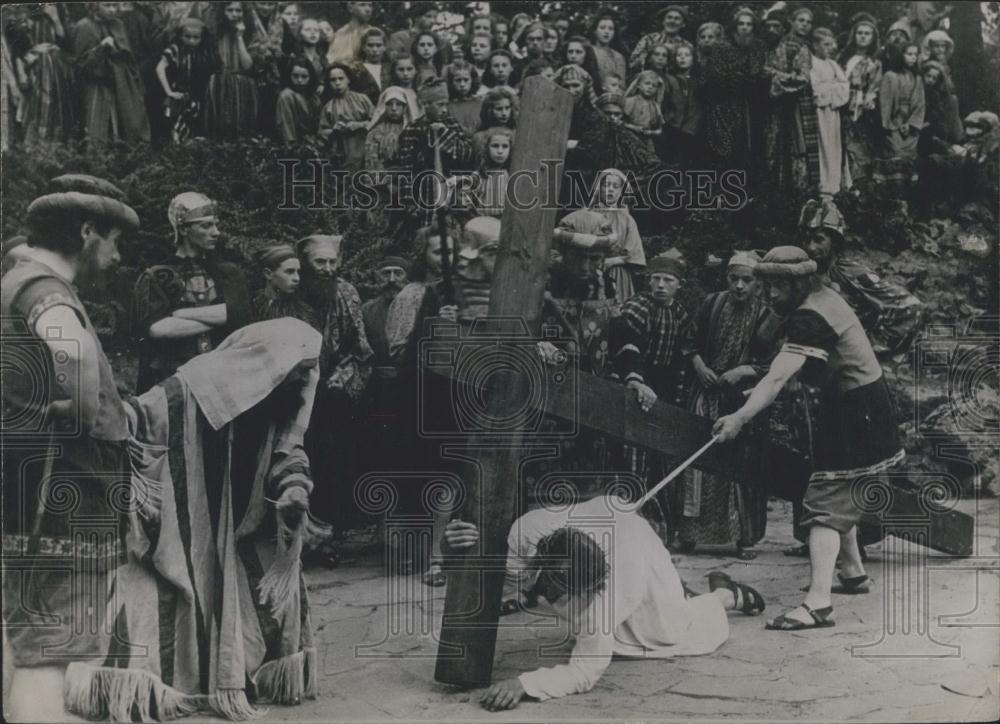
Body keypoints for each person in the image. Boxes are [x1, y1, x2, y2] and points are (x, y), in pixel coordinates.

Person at [2, 179, 139, 722]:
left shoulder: (12, 281)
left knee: (28, 636)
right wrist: (81, 415)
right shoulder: (44, 290)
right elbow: (74, 354)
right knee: (52, 648)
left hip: (25, 484)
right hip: (65, 490)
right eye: (113, 240)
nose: (116, 253)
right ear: (87, 233)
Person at [713, 246, 904, 630]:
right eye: (767, 286)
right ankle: (852, 572)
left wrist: (738, 417)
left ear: (799, 283)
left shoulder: (808, 315)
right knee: (839, 493)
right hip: (860, 405)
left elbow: (781, 373)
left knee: (823, 505)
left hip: (856, 411)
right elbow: (794, 368)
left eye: (778, 287)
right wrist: (762, 392)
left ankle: (818, 604)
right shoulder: (823, 297)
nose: (769, 295)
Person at [442, 493, 765, 710]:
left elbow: (584, 672)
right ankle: (683, 594)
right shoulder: (529, 529)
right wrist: (453, 549)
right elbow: (500, 579)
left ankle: (724, 596)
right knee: (596, 629)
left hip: (642, 560)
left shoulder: (611, 591)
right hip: (607, 529)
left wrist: (525, 684)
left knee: (668, 631)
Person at [676, 251, 773, 559]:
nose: (740, 286)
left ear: (758, 282)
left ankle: (743, 539)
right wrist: (699, 365)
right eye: (735, 279)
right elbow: (689, 340)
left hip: (743, 403)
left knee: (740, 467)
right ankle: (689, 534)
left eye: (747, 280)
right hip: (705, 395)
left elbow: (773, 363)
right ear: (726, 278)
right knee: (696, 462)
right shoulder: (712, 303)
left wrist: (742, 371)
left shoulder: (766, 315)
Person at [296, 233, 373, 549]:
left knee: (333, 459)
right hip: (297, 387)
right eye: (319, 262)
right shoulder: (293, 292)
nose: (327, 268)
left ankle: (332, 533)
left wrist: (340, 379)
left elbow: (360, 347)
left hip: (333, 389)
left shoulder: (346, 292)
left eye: (332, 262)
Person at [131, 191, 253, 390]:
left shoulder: (229, 274)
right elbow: (157, 329)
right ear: (184, 229)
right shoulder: (158, 276)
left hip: (221, 378)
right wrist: (222, 318)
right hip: (173, 379)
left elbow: (241, 316)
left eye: (216, 224)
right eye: (206, 225)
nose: (216, 232)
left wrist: (181, 314)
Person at [799, 197, 924, 359]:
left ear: (835, 242)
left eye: (818, 239)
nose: (810, 247)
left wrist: (873, 347)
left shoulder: (850, 273)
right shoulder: (803, 272)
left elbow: (911, 307)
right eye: (806, 239)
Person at [74, 1, 151, 145]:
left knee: (128, 124)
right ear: (95, 5)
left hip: (121, 82)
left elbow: (128, 56)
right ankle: (97, 160)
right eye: (107, 5)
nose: (112, 10)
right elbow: (81, 65)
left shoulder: (118, 25)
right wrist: (100, 48)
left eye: (115, 5)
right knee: (98, 128)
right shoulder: (84, 26)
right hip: (97, 85)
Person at [763, 7, 819, 194]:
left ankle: (801, 190)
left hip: (805, 102)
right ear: (792, 22)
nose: (804, 25)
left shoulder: (808, 45)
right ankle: (783, 189)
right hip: (787, 101)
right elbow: (769, 70)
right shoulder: (783, 44)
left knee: (802, 144)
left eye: (808, 22)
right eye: (800, 20)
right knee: (785, 142)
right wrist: (789, 78)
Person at [5, 3, 77, 145]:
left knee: (58, 107)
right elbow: (16, 47)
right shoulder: (21, 10)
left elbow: (66, 41)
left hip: (57, 68)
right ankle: (35, 146)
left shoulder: (59, 8)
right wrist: (22, 71)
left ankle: (57, 147)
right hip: (33, 65)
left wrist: (55, 18)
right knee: (37, 107)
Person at [155, 17, 217, 142]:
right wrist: (169, 92)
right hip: (178, 95)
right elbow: (160, 68)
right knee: (175, 127)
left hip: (197, 96)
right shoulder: (174, 49)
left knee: (195, 127)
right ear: (180, 36)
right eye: (187, 37)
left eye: (196, 37)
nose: (191, 41)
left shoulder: (204, 52)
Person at [204, 1, 259, 140]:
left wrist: (240, 37)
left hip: (242, 83)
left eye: (238, 10)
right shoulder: (214, 34)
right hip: (219, 83)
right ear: (223, 11)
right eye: (230, 10)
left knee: (242, 131)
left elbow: (247, 65)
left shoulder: (250, 34)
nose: (235, 14)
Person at [874, 43, 925, 188]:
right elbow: (885, 103)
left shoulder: (918, 78)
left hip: (910, 124)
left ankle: (907, 195)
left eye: (915, 55)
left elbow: (920, 104)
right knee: (894, 154)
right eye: (909, 54)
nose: (913, 58)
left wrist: (910, 124)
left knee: (909, 158)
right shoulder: (890, 76)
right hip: (893, 123)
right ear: (901, 55)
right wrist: (890, 124)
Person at [840, 16, 883, 183]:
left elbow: (873, 88)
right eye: (860, 33)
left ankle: (858, 187)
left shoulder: (875, 63)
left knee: (858, 149)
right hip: (839, 105)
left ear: (873, 38)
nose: (863, 36)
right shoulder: (843, 57)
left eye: (867, 33)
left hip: (860, 111)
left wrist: (865, 102)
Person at [810, 28, 851, 195]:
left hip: (833, 113)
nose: (830, 47)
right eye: (825, 44)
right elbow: (815, 90)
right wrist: (832, 87)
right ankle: (823, 185)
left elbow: (845, 86)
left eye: (831, 44)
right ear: (815, 45)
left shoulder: (832, 64)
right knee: (822, 146)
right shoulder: (811, 63)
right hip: (818, 113)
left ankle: (835, 185)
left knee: (834, 145)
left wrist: (832, 88)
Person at [319, 62, 375, 170]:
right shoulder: (328, 107)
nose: (337, 83)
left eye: (341, 78)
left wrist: (360, 125)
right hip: (341, 152)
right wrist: (333, 130)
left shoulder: (362, 99)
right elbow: (322, 132)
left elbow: (377, 122)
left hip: (364, 148)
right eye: (333, 80)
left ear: (348, 79)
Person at [660, 41, 703, 167]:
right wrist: (669, 120)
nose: (683, 58)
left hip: (693, 129)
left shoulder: (698, 81)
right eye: (679, 55)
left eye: (687, 55)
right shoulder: (668, 79)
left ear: (693, 60)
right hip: (672, 128)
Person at [252, 243, 316, 324]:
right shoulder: (251, 305)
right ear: (268, 274)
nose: (297, 278)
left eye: (298, 272)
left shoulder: (303, 313)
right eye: (289, 272)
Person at [629, 4, 689, 74]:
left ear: (683, 24)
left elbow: (689, 71)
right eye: (669, 17)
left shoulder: (686, 46)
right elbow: (632, 64)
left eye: (677, 19)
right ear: (663, 21)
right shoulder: (648, 39)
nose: (672, 21)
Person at [275, 54, 321, 144]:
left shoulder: (313, 98)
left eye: (304, 77)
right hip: (295, 145)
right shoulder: (287, 96)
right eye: (295, 76)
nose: (299, 80)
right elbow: (286, 127)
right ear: (289, 76)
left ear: (310, 77)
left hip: (312, 143)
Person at [473, 128, 512, 218]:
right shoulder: (481, 174)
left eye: (505, 146)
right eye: (495, 146)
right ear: (486, 147)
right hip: (486, 222)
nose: (500, 151)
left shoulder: (512, 173)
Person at [624, 70, 665, 151]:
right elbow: (618, 122)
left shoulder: (655, 106)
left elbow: (660, 130)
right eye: (647, 83)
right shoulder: (631, 101)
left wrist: (650, 132)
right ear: (639, 85)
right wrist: (633, 127)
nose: (650, 87)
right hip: (629, 138)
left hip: (647, 142)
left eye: (654, 85)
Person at [350, 27, 391, 104]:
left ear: (384, 47)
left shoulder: (390, 68)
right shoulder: (355, 70)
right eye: (370, 45)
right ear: (363, 47)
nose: (375, 50)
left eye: (378, 45)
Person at [472, 85, 517, 156]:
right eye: (499, 109)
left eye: (507, 108)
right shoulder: (480, 137)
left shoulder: (517, 133)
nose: (504, 113)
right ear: (489, 111)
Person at [327, 0, 373, 64]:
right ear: (350, 8)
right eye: (362, 5)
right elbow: (334, 62)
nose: (368, 9)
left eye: (370, 5)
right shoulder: (341, 34)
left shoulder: (375, 32)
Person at [588, 12, 626, 88]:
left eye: (610, 29)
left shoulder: (618, 57)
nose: (606, 31)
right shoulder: (588, 51)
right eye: (602, 28)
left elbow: (621, 84)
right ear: (595, 31)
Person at [445, 59, 483, 135]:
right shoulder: (447, 106)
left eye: (466, 80)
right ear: (451, 82)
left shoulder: (481, 104)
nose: (462, 85)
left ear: (473, 80)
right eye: (458, 80)